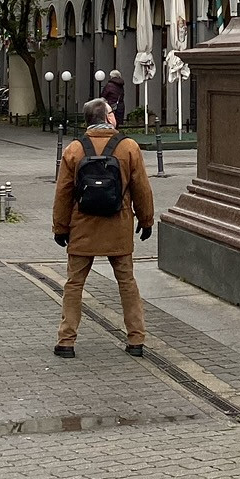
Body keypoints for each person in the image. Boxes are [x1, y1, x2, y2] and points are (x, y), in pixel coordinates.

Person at [51, 98, 154, 358]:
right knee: (126, 282)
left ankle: (66, 341)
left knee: (74, 284)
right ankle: (136, 340)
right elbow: (141, 187)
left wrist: (60, 228)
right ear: (106, 118)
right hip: (117, 225)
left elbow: (63, 193)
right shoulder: (128, 147)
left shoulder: (75, 149)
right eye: (111, 112)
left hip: (82, 226)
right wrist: (146, 220)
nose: (115, 115)